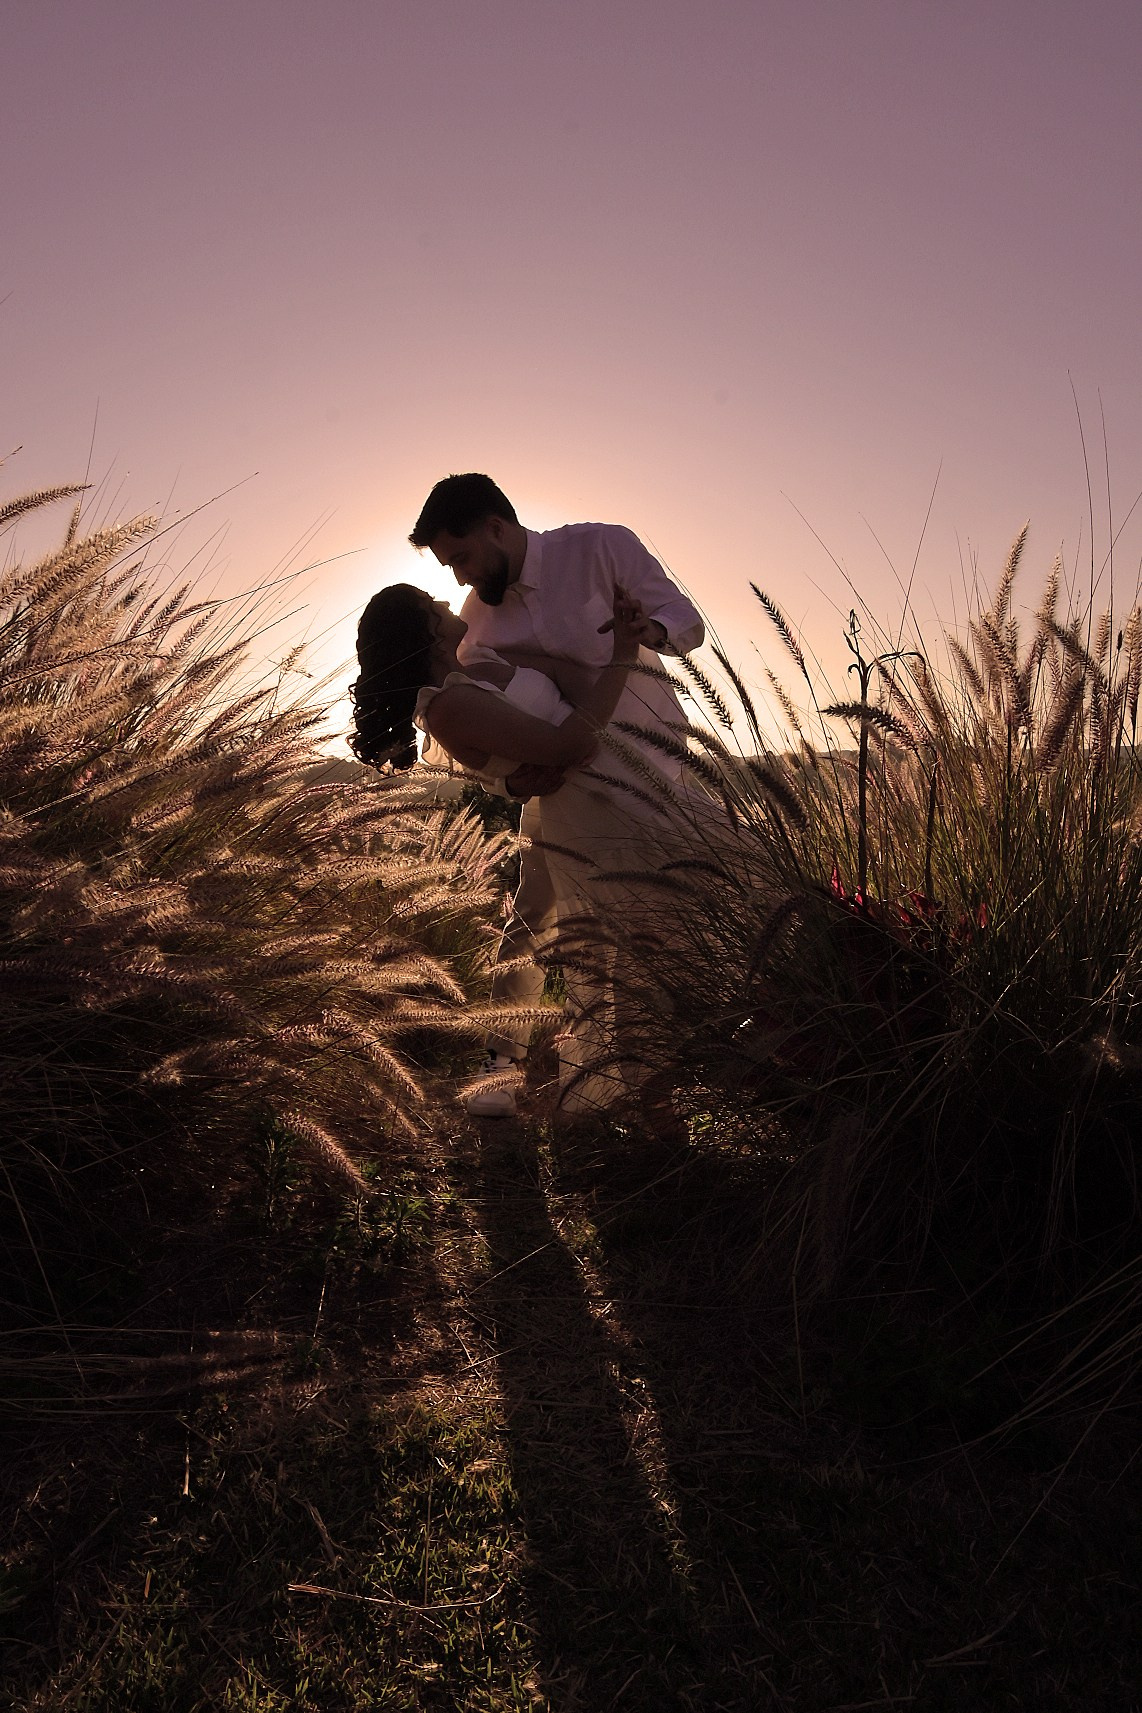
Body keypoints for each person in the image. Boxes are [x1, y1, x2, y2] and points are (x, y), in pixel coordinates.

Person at [407, 473, 705, 1117]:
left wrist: (646, 633)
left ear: (495, 527)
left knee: (660, 926)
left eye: (461, 557)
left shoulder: (602, 549)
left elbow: (687, 620)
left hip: (651, 776)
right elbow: (459, 721)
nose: (458, 577)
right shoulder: (473, 622)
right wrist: (506, 782)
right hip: (561, 796)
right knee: (530, 921)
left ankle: (652, 1075)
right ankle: (501, 1067)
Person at [350, 579, 662, 1114]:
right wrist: (624, 655)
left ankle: (509, 1064)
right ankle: (614, 1082)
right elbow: (566, 744)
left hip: (584, 799)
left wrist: (521, 776)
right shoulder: (448, 705)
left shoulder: (481, 661)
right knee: (604, 936)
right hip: (579, 810)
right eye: (432, 605)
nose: (447, 602)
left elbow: (564, 690)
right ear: (424, 632)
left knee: (538, 923)